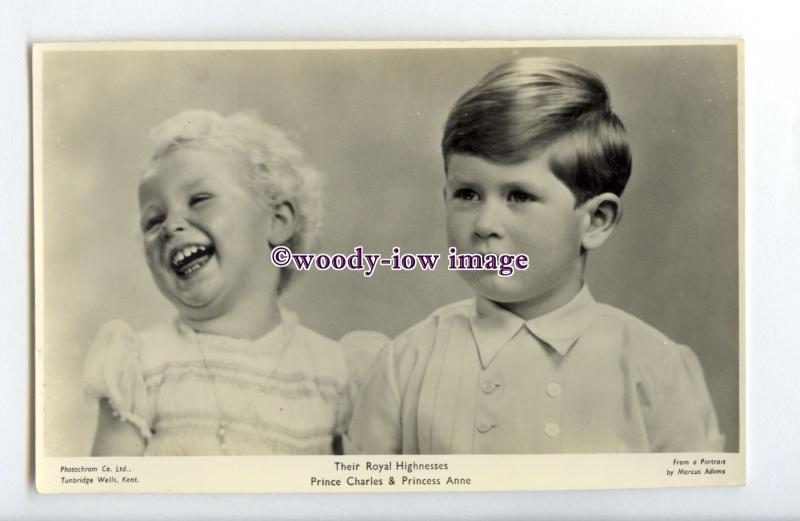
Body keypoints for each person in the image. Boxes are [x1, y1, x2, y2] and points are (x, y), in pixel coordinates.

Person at [346, 57, 724, 454]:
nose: (485, 223)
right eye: (467, 194)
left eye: (519, 197)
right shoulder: (405, 364)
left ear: (596, 220)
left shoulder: (654, 369)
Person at [83, 110, 367, 455]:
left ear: (278, 221)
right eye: (153, 220)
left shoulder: (332, 372)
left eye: (199, 200)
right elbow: (103, 499)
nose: (171, 225)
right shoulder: (142, 366)